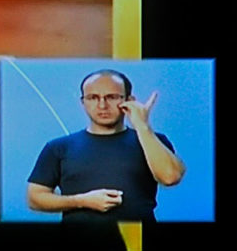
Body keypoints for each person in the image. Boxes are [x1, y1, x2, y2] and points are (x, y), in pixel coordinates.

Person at [27, 69, 185, 224]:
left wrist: (142, 125)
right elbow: (35, 198)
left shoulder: (152, 140)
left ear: (129, 100)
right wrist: (81, 201)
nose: (102, 105)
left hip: (137, 237)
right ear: (83, 102)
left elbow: (170, 177)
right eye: (93, 98)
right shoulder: (58, 147)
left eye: (112, 97)